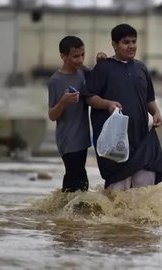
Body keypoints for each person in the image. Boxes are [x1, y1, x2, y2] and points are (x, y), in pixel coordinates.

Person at [82, 23, 162, 191]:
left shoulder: (141, 68)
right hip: (115, 143)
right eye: (126, 42)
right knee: (116, 198)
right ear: (114, 45)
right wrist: (107, 104)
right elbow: (89, 98)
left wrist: (156, 113)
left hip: (141, 141)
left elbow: (149, 99)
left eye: (134, 41)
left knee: (145, 196)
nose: (131, 46)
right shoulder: (104, 68)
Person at [48, 36, 93, 192]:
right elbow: (52, 115)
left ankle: (66, 212)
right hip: (67, 139)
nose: (80, 60)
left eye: (82, 55)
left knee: (80, 179)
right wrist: (63, 101)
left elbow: (99, 77)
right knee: (76, 177)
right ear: (63, 56)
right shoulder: (56, 80)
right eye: (75, 56)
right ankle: (66, 211)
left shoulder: (83, 72)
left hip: (82, 137)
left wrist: (101, 61)